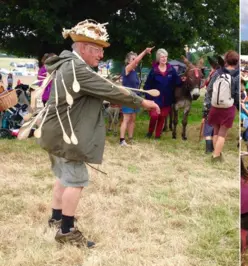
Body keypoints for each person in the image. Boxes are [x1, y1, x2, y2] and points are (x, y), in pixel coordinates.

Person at [33, 19, 160, 248]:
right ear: (82, 47)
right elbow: (110, 91)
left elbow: (97, 88)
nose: (101, 55)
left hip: (57, 131)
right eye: (97, 49)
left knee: (64, 177)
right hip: (67, 134)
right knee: (76, 180)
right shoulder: (78, 69)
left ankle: (56, 217)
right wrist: (143, 103)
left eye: (102, 50)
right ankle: (67, 231)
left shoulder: (68, 64)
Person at [206, 50, 240, 161]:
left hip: (215, 106)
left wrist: (210, 102)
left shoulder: (217, 73)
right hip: (228, 107)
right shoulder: (237, 75)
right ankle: (215, 156)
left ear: (225, 60)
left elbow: (209, 89)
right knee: (222, 134)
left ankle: (217, 154)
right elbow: (236, 93)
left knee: (216, 131)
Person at [144, 48, 182, 139]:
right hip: (155, 99)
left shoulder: (171, 70)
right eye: (162, 57)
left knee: (162, 117)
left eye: (166, 57)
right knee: (154, 116)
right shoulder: (154, 71)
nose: (164, 59)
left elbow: (177, 82)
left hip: (167, 99)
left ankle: (157, 135)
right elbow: (147, 85)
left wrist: (183, 80)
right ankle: (150, 132)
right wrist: (148, 98)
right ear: (158, 58)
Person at [119, 48, 154, 146]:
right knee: (126, 119)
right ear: (129, 61)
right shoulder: (127, 69)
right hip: (127, 97)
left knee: (133, 119)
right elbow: (137, 61)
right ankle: (122, 140)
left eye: (135, 58)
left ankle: (130, 138)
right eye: (133, 59)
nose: (135, 61)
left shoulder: (134, 72)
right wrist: (144, 52)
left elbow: (135, 86)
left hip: (135, 98)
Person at [202, 55, 221, 154]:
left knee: (209, 127)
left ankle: (209, 150)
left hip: (212, 104)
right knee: (216, 128)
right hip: (222, 105)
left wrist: (204, 111)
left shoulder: (215, 74)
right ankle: (214, 149)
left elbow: (209, 91)